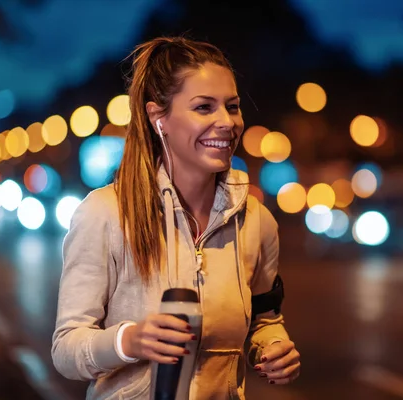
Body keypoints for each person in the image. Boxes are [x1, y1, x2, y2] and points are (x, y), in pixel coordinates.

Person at [51, 36, 300, 399]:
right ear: (158, 118)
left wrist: (272, 348)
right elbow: (66, 350)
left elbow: (265, 322)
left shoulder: (257, 222)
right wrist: (130, 340)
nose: (226, 122)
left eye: (232, 106)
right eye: (204, 107)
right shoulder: (104, 213)